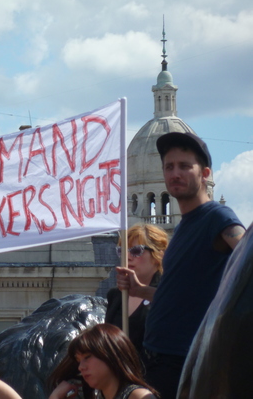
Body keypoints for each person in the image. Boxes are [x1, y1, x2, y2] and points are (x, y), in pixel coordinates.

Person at [116, 132, 245, 399]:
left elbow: (246, 254)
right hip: (159, 360)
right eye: (169, 167)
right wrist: (141, 291)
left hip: (185, 361)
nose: (175, 173)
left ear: (205, 173)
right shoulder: (184, 227)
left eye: (185, 166)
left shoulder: (217, 217)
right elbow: (184, 296)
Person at [105, 224, 168, 354]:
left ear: (159, 255)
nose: (127, 257)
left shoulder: (168, 293)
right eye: (121, 251)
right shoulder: (115, 295)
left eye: (136, 251)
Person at [47, 324, 156, 399]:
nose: (81, 367)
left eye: (87, 357)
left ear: (111, 354)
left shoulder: (139, 396)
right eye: (78, 361)